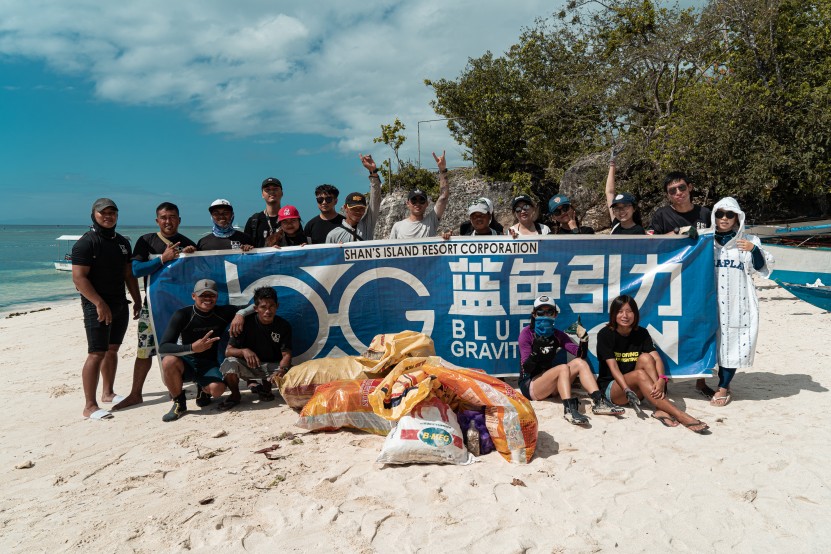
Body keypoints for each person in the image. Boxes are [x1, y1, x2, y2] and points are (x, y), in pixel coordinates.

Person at [114, 202, 197, 411]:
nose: (168, 221)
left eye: (172, 217)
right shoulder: (147, 241)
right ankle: (136, 394)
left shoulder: (187, 242)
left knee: (179, 348)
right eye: (164, 217)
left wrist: (192, 255)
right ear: (157, 220)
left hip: (180, 309)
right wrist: (162, 258)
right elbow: (135, 270)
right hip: (152, 308)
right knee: (144, 351)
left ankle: (176, 389)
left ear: (179, 220)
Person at [71, 198, 141, 419]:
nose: (108, 216)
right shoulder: (86, 243)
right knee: (96, 353)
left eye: (112, 213)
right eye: (103, 213)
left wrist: (138, 299)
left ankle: (108, 393)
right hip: (96, 305)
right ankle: (89, 406)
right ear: (94, 215)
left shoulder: (122, 242)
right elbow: (79, 279)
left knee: (112, 349)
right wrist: (99, 303)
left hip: (120, 302)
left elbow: (128, 274)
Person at [596, 295, 709, 433]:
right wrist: (627, 390)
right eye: (620, 311)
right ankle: (681, 415)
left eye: (629, 311)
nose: (625, 315)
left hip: (639, 387)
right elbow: (613, 368)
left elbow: (656, 359)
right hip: (614, 389)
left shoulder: (641, 333)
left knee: (646, 358)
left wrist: (662, 379)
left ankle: (660, 409)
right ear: (613, 314)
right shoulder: (605, 334)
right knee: (639, 374)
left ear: (635, 314)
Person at [705, 197, 773, 406]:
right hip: (709, 301)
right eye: (719, 214)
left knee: (732, 344)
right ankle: (701, 382)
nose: (724, 218)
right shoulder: (706, 241)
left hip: (738, 301)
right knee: (708, 342)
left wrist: (753, 250)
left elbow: (761, 268)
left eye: (729, 214)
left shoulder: (748, 240)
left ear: (737, 217)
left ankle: (724, 387)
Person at [518, 296, 624, 424]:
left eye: (549, 312)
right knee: (563, 367)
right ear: (534, 314)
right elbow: (527, 368)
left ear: (555, 315)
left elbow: (580, 355)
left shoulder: (557, 335)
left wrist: (584, 340)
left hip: (551, 386)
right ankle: (569, 410)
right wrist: (536, 351)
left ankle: (599, 401)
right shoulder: (527, 334)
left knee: (580, 363)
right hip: (531, 386)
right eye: (541, 312)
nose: (545, 315)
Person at [157, 279, 249, 422]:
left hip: (207, 363)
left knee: (218, 391)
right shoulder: (182, 315)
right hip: (186, 362)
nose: (207, 299)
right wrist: (192, 348)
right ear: (194, 296)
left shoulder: (223, 312)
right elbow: (163, 347)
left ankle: (203, 388)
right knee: (168, 361)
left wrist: (240, 314)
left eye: (211, 295)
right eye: (202, 295)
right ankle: (179, 403)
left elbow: (255, 305)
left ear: (217, 296)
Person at [218, 287, 293, 410]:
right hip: (249, 366)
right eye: (263, 307)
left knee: (294, 374)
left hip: (271, 367)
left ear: (277, 306)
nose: (268, 311)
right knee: (229, 364)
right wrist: (244, 351)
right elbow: (228, 351)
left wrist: (282, 369)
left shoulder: (284, 326)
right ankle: (235, 395)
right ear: (255, 308)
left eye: (271, 306)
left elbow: (287, 355)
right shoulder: (244, 324)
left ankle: (266, 389)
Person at [388, 151, 450, 239]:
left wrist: (442, 170)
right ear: (407, 203)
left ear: (427, 204)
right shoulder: (397, 227)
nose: (417, 204)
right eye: (414, 200)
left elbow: (443, 197)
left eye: (421, 200)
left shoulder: (431, 221)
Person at [647, 171, 711, 236]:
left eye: (682, 187)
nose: (678, 193)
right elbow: (651, 241)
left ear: (690, 187)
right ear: (667, 195)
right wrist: (678, 232)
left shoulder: (705, 213)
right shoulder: (661, 215)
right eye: (672, 190)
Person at [604, 160, 646, 235]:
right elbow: (609, 192)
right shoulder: (616, 224)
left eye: (625, 206)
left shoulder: (639, 232)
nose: (621, 210)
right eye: (617, 208)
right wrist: (612, 165)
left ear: (634, 208)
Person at [244, 177, 283, 247]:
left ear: (282, 193)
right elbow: (245, 246)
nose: (272, 192)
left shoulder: (289, 218)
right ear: (262, 195)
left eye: (275, 189)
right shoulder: (254, 221)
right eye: (267, 190)